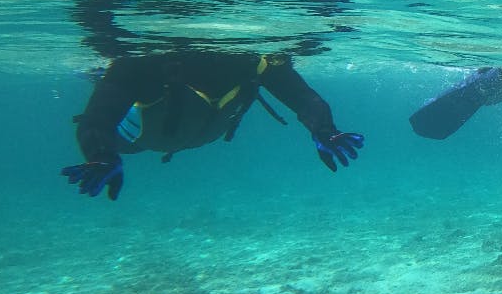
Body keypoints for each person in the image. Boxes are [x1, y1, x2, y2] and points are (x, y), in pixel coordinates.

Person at [62, 51, 364, 200]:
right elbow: (97, 119)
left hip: (189, 132)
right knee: (113, 88)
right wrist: (102, 153)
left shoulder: (256, 62)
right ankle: (93, 74)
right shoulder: (144, 64)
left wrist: (324, 129)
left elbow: (303, 98)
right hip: (139, 139)